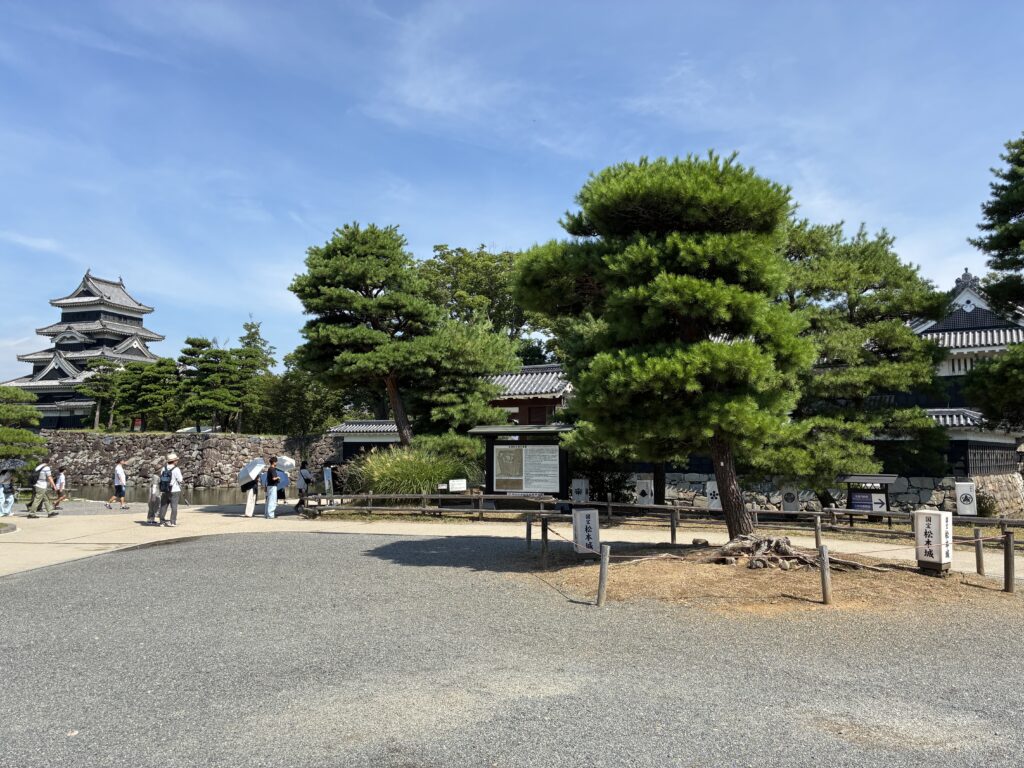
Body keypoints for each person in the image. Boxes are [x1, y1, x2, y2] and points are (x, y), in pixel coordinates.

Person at [157, 452, 184, 527]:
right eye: (176, 460)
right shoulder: (176, 469)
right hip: (174, 490)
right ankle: (172, 522)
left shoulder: (164, 468)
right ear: (174, 461)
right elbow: (180, 479)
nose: (177, 461)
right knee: (174, 507)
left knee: (163, 506)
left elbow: (161, 477)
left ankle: (161, 522)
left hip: (165, 489)